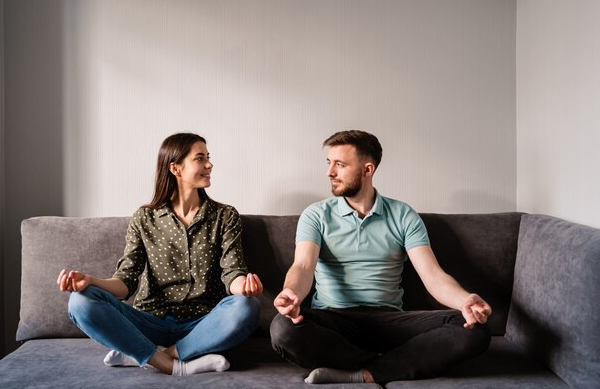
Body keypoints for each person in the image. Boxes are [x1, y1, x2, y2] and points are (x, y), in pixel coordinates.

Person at [270, 130, 492, 385]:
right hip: (334, 321)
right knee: (282, 328)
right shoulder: (316, 215)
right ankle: (395, 363)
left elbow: (433, 276)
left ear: (367, 170)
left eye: (340, 165)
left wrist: (466, 301)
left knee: (473, 329)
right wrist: (291, 293)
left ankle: (364, 374)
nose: (330, 172)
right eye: (329, 163)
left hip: (390, 322)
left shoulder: (403, 215)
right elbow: (303, 266)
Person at [57, 132, 263, 376]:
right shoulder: (144, 218)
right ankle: (172, 364)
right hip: (149, 323)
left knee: (247, 306)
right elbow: (125, 284)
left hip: (203, 327)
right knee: (79, 301)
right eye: (200, 158)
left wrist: (244, 287)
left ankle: (156, 355)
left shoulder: (225, 216)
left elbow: (233, 272)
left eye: (208, 157)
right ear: (175, 168)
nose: (209, 165)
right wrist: (91, 282)